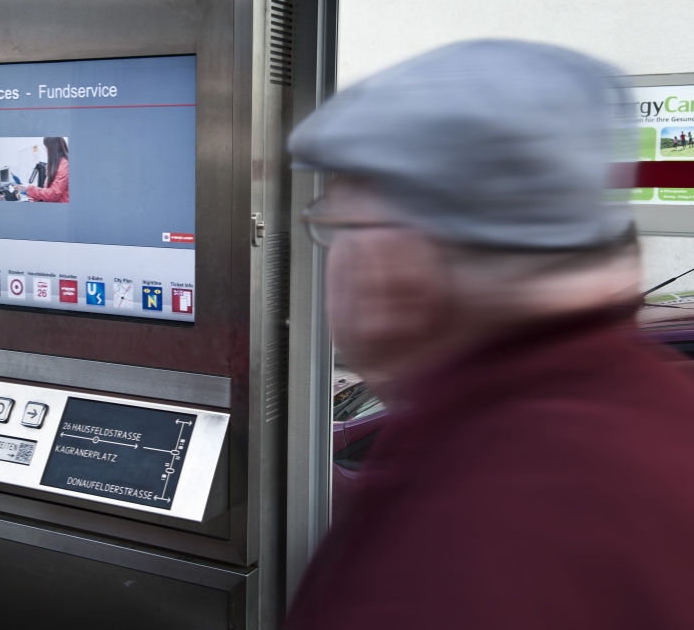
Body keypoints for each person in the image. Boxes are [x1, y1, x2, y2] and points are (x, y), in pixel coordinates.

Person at [284, 40, 694, 630]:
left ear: (399, 257)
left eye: (340, 225)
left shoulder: (474, 527)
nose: (335, 258)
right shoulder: (651, 404)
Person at [17, 137, 69, 203]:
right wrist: (33, 197)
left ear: (52, 148)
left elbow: (54, 194)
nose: (44, 149)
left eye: (46, 146)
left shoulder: (64, 164)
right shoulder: (56, 164)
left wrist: (30, 188)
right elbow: (47, 192)